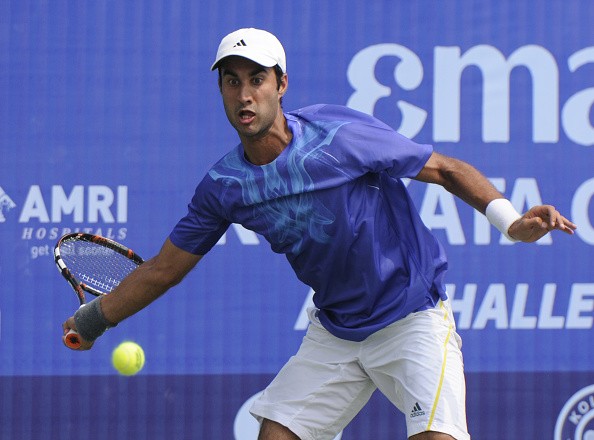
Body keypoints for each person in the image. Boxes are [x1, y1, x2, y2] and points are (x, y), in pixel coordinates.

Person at [63, 28, 576, 440]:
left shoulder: (340, 136)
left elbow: (442, 168)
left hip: (410, 318)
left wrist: (510, 222)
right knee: (277, 434)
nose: (245, 94)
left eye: (257, 79)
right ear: (220, 89)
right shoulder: (224, 186)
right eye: (232, 81)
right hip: (336, 332)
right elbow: (163, 269)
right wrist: (91, 320)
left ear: (281, 85)